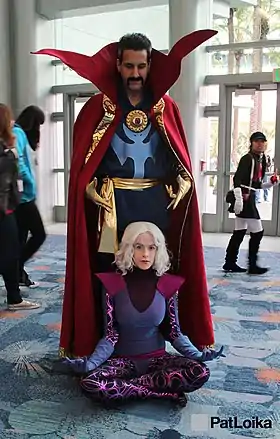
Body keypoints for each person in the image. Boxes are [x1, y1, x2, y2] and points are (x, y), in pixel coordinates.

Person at [35, 30, 218, 357]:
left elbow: (179, 159)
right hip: (113, 204)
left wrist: (185, 181)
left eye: (142, 66)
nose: (135, 74)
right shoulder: (97, 109)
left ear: (150, 66)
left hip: (155, 201)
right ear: (118, 64)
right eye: (129, 66)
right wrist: (89, 187)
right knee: (111, 269)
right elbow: (84, 166)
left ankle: (154, 338)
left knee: (156, 265)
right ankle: (109, 341)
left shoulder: (166, 108)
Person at [64, 222, 224, 406]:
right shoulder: (112, 284)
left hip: (158, 361)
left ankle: (128, 389)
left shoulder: (167, 284)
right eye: (138, 247)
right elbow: (110, 335)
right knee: (90, 383)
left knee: (200, 372)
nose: (145, 254)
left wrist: (197, 355)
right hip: (122, 362)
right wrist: (91, 364)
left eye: (151, 247)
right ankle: (162, 394)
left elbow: (174, 332)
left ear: (158, 250)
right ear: (128, 248)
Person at [0, 103, 40, 310]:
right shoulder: (6, 150)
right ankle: (15, 297)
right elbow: (12, 177)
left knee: (11, 249)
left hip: (8, 206)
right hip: (6, 208)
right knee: (11, 252)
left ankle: (15, 292)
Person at [223, 132, 279, 275]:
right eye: (256, 141)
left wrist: (272, 183)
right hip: (244, 198)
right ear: (252, 143)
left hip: (250, 197)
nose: (259, 144)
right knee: (258, 232)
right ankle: (252, 265)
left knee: (239, 231)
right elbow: (237, 180)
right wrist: (239, 197)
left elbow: (258, 185)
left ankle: (230, 262)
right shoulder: (247, 159)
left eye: (262, 141)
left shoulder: (263, 160)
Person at [13, 106, 46, 288]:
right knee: (39, 234)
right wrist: (29, 183)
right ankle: (14, 267)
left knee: (20, 239)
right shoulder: (17, 133)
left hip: (22, 196)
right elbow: (18, 162)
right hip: (23, 197)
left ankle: (18, 273)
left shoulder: (19, 134)